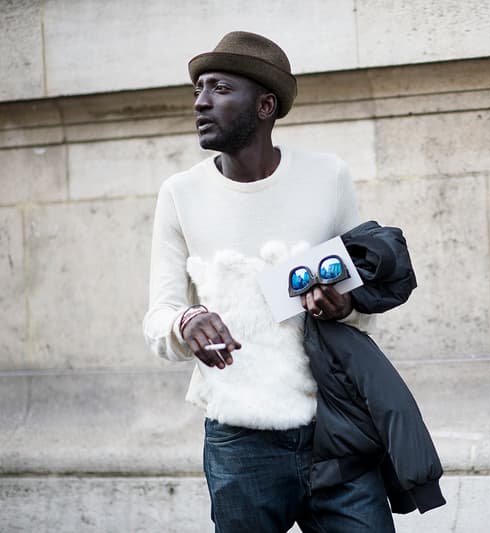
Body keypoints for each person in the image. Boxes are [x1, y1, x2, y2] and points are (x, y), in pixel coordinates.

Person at [142, 31, 393, 532]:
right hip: (241, 442)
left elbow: (361, 299)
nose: (200, 102)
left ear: (265, 105)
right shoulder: (180, 193)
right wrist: (186, 322)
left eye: (219, 88)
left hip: (336, 429)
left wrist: (343, 306)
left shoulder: (328, 177)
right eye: (198, 89)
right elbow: (158, 317)